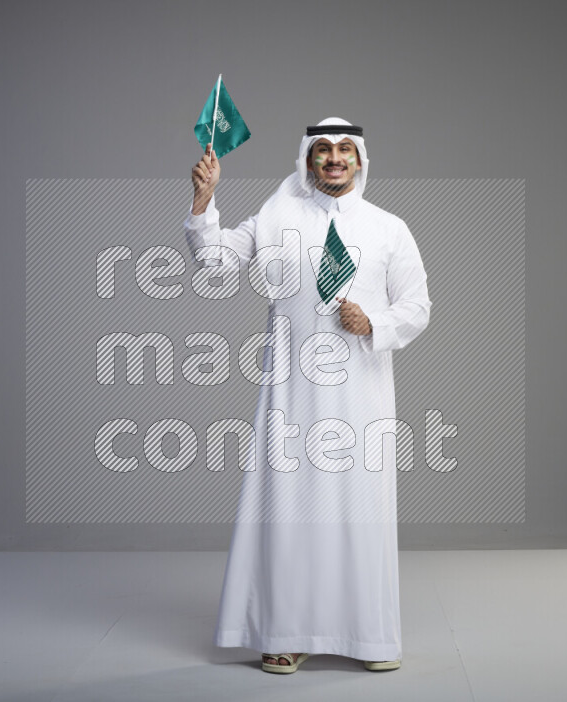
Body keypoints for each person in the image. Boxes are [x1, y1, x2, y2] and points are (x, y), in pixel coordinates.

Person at [184, 117, 432, 674]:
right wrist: (205, 203)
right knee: (290, 511)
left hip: (362, 394)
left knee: (359, 510)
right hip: (291, 393)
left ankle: (367, 635)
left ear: (361, 160)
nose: (335, 159)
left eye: (345, 149)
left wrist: (374, 324)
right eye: (323, 150)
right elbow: (215, 261)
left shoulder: (388, 228)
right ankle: (287, 633)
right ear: (308, 159)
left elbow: (418, 306)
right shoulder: (276, 217)